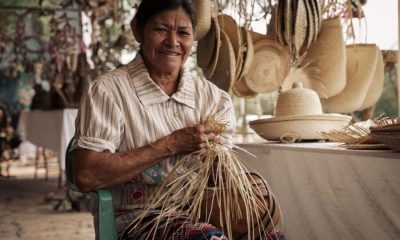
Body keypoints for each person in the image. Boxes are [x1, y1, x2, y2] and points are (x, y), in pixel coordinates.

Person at [72, 0, 283, 239]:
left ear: (192, 40)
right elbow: (86, 175)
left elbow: (217, 174)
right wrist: (170, 145)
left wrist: (233, 177)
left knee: (271, 235)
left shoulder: (213, 99)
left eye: (183, 33)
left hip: (205, 211)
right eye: (160, 29)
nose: (173, 42)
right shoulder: (108, 92)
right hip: (139, 217)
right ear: (137, 29)